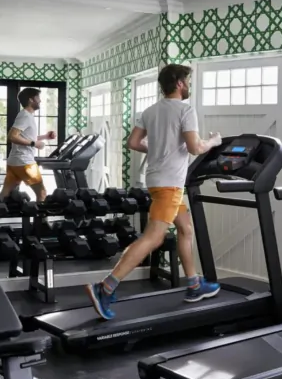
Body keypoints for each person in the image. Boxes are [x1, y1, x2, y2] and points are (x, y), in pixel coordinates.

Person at [86, 64, 223, 320]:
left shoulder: (150, 110)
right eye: (188, 80)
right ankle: (105, 287)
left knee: (186, 229)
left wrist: (160, 149)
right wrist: (213, 142)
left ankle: (194, 285)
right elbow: (194, 147)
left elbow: (133, 142)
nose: (189, 84)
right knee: (153, 238)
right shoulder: (186, 109)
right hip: (170, 183)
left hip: (158, 179)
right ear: (180, 83)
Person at [1, 87, 56, 202]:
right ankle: (41, 220)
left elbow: (25, 137)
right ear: (31, 100)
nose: (40, 100)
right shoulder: (25, 115)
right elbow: (12, 136)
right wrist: (34, 144)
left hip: (15, 162)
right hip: (25, 163)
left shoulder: (27, 116)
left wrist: (45, 137)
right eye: (38, 98)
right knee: (41, 192)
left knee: (5, 194)